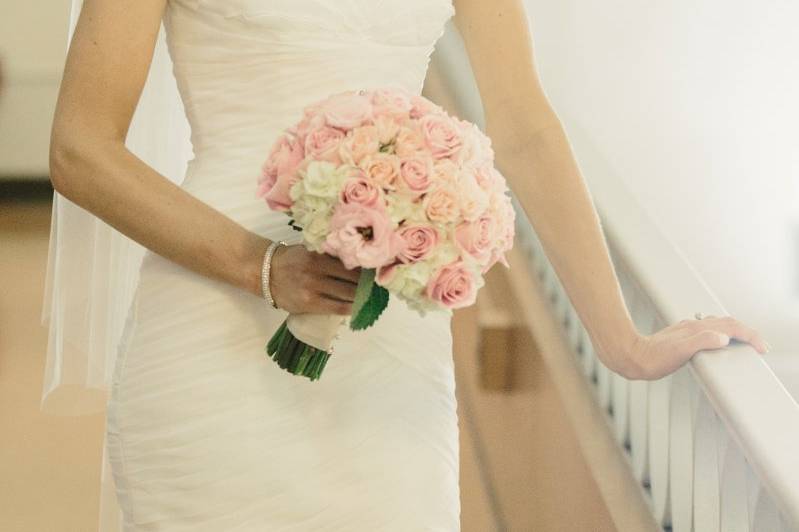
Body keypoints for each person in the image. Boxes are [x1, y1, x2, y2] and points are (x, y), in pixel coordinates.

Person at [45, 0, 769, 530]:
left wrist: (624, 343)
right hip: (209, 327)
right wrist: (260, 265)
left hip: (385, 346)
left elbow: (524, 125)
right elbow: (81, 149)